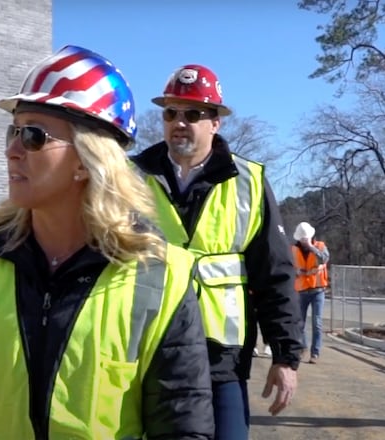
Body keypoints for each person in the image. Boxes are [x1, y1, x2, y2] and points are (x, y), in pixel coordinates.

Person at [0, 46, 214, 440]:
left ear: (88, 160)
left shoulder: (162, 280)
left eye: (33, 136)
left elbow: (182, 426)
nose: (12, 150)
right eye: (12, 131)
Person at [130, 64, 304, 440]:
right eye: (170, 113)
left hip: (221, 361)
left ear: (216, 122)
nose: (179, 122)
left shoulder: (249, 183)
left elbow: (275, 275)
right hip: (145, 357)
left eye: (192, 114)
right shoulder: (131, 178)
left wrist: (286, 356)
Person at [292, 221, 330, 364]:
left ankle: (315, 353)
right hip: (301, 290)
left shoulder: (320, 246)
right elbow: (287, 264)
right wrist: (295, 271)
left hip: (317, 289)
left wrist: (312, 248)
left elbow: (324, 258)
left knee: (317, 322)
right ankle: (303, 348)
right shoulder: (293, 249)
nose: (303, 241)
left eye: (305, 238)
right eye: (301, 239)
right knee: (300, 323)